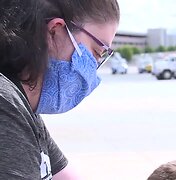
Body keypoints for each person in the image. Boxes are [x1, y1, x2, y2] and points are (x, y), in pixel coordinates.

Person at [0, 0, 119, 179]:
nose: (94, 68)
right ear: (54, 30)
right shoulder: (5, 105)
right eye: (97, 52)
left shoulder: (26, 110)